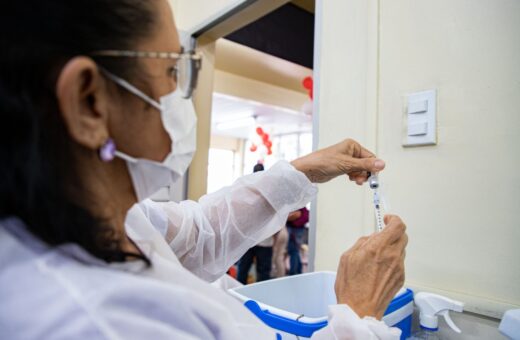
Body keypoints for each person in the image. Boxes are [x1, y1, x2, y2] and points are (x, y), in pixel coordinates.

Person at [0, 1, 408, 339]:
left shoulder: (102, 215)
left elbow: (198, 236)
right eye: (172, 71)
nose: (182, 95)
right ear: (88, 101)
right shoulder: (92, 323)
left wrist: (301, 172)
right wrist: (359, 315)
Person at [237, 163, 274, 284]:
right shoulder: (270, 188)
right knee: (262, 272)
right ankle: (261, 297)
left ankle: (238, 295)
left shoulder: (247, 186)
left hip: (249, 237)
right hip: (262, 238)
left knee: (243, 269)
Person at [287, 206, 309, 275]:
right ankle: (298, 270)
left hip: (294, 230)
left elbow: (297, 214)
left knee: (293, 251)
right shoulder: (301, 206)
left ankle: (293, 272)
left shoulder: (297, 206)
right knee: (296, 251)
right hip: (298, 229)